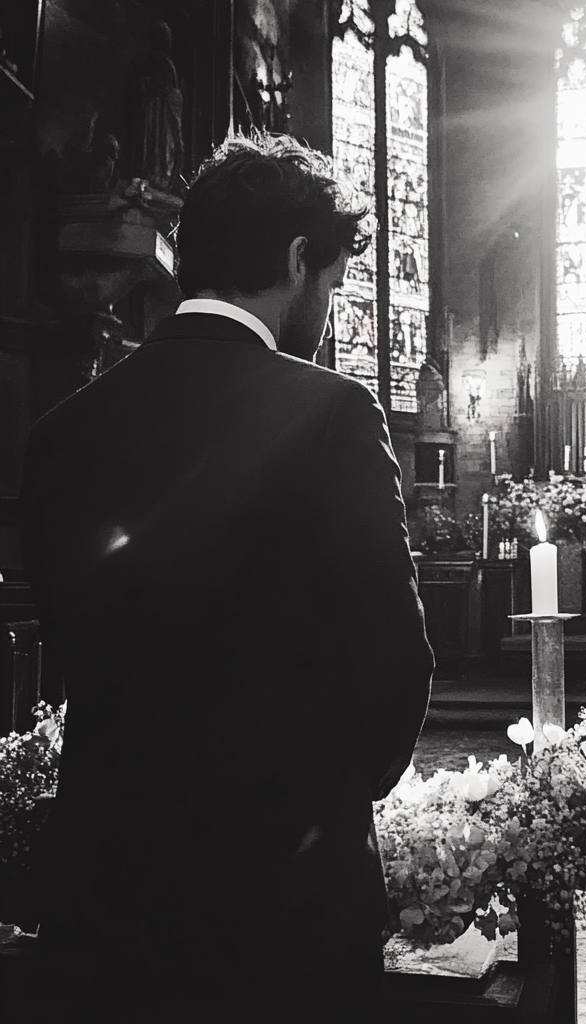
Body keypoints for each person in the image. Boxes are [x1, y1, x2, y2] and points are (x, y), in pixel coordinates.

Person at [19, 131, 434, 1022]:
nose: (326, 306)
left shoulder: (59, 434)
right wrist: (313, 793)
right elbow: (396, 667)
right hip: (283, 910)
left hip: (105, 903)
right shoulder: (332, 413)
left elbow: (69, 651)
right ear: (295, 260)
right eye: (329, 280)